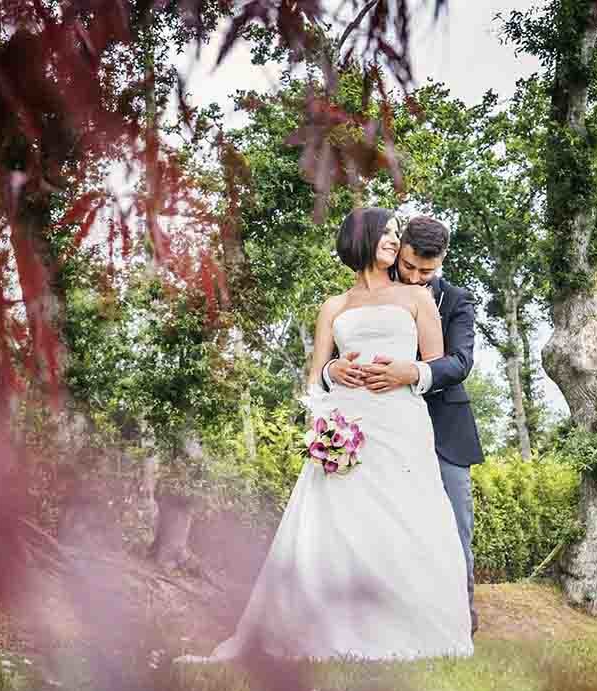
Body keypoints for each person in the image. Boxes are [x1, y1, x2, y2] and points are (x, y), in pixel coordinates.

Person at [180, 208, 472, 662]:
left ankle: (417, 630)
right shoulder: (333, 306)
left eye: (398, 235)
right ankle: (335, 627)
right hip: (347, 422)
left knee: (406, 521)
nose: (395, 242)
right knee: (341, 523)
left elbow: (436, 363)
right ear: (363, 240)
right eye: (389, 234)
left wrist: (404, 372)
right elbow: (316, 378)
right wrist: (335, 371)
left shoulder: (416, 299)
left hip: (401, 422)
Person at [324, 215, 483, 635]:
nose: (415, 276)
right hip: (377, 427)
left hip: (443, 428)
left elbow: (460, 362)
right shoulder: (370, 292)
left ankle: (458, 620)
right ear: (401, 250)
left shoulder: (458, 300)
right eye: (409, 266)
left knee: (452, 526)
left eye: (425, 271)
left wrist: (412, 373)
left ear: (443, 260)